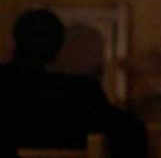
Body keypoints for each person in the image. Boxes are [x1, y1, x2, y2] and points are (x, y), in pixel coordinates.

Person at [0, 9, 147, 157]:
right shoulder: (81, 92)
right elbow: (128, 128)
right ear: (59, 47)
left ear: (13, 41)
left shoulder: (6, 86)